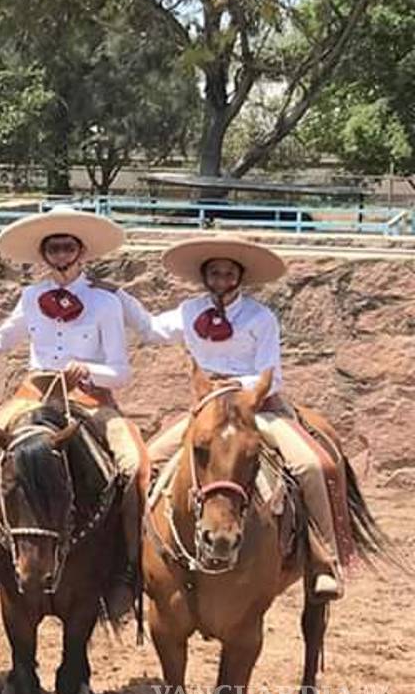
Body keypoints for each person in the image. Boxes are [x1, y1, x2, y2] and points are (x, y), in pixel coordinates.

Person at [118, 234, 348, 599]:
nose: (221, 278)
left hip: (258, 408)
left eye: (228, 273)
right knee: (145, 462)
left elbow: (271, 375)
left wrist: (230, 384)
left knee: (314, 465)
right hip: (208, 410)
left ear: (239, 277)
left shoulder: (261, 317)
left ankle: (324, 560)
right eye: (214, 272)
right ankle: (131, 557)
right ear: (205, 276)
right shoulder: (189, 311)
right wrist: (119, 296)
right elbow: (149, 330)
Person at [0, 206, 149, 606]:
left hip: (89, 397)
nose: (60, 254)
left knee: (134, 466)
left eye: (68, 247)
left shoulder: (106, 302)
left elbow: (120, 371)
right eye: (53, 248)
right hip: (35, 393)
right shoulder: (31, 296)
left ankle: (128, 570)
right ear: (45, 255)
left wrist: (90, 370)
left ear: (82, 252)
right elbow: (1, 340)